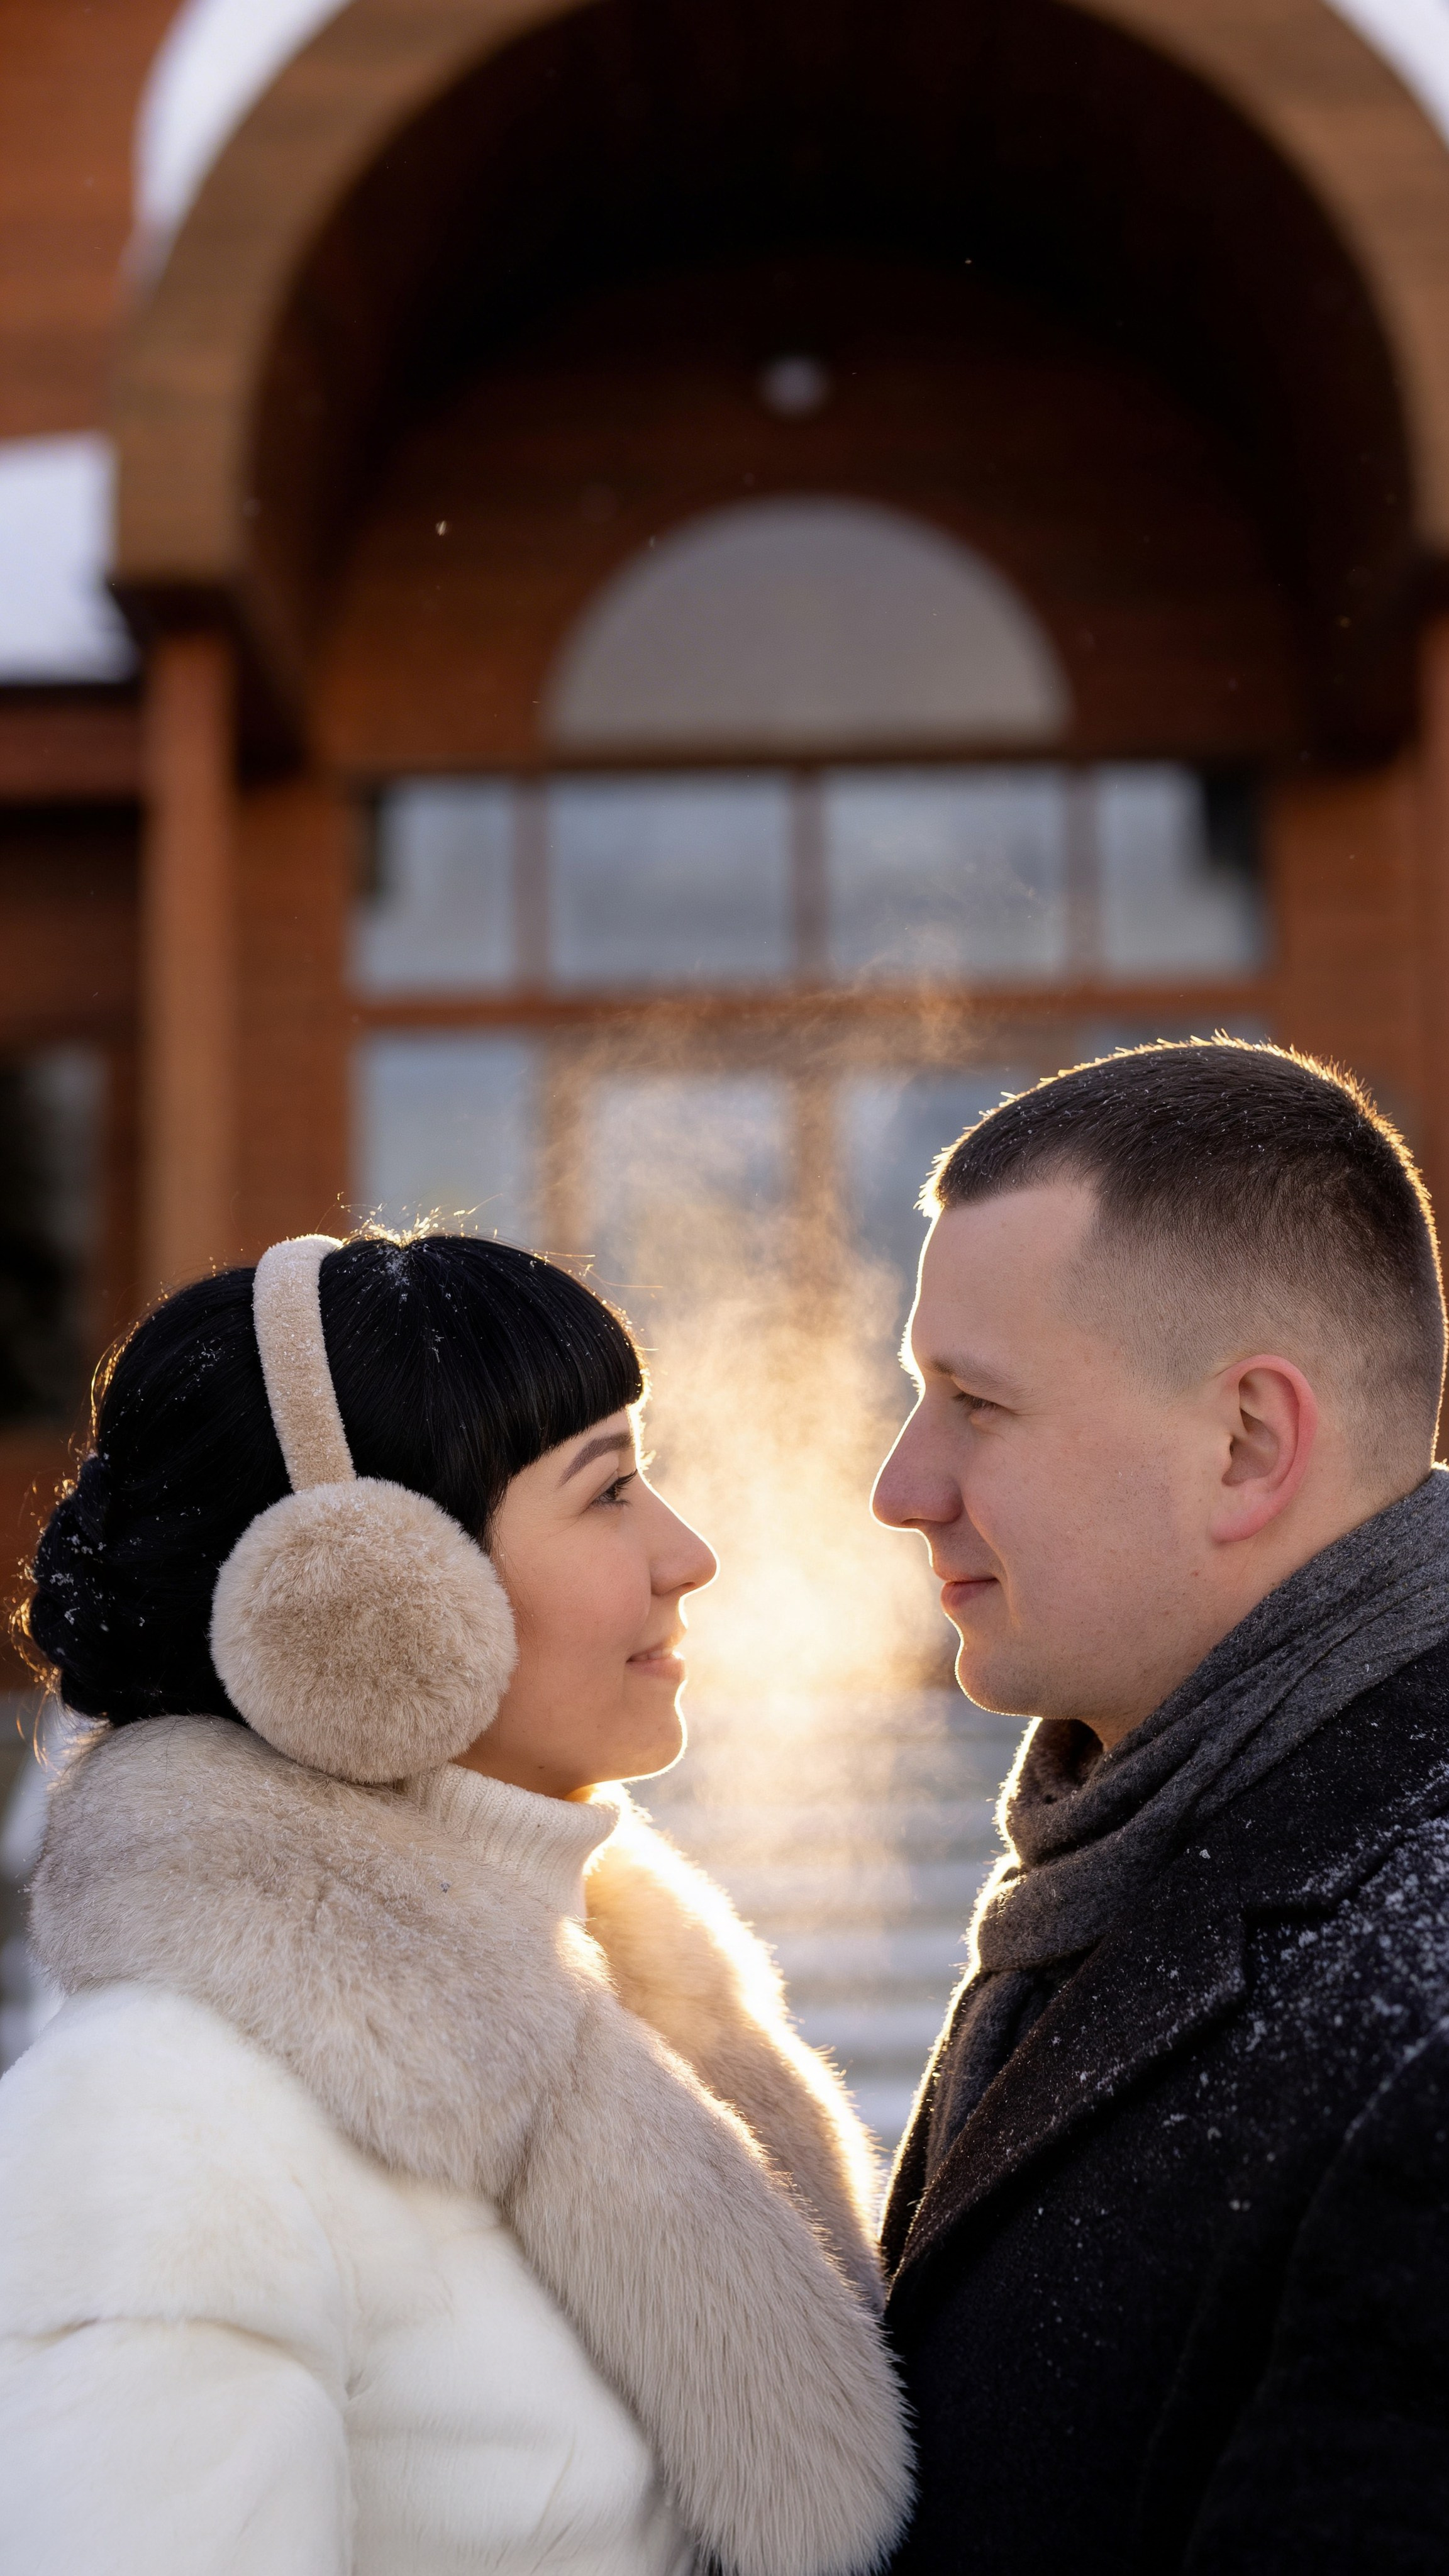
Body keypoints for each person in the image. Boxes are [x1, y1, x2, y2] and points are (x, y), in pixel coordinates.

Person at [0, 1230, 911, 2576]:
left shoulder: (632, 2007)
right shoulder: (164, 2111)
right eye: (608, 1493)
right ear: (368, 1600)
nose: (689, 1553)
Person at [873, 1038, 1449, 2573]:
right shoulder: (1121, 1845)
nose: (901, 1483)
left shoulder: (1422, 2014)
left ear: (1248, 1443)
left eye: (975, 1403)